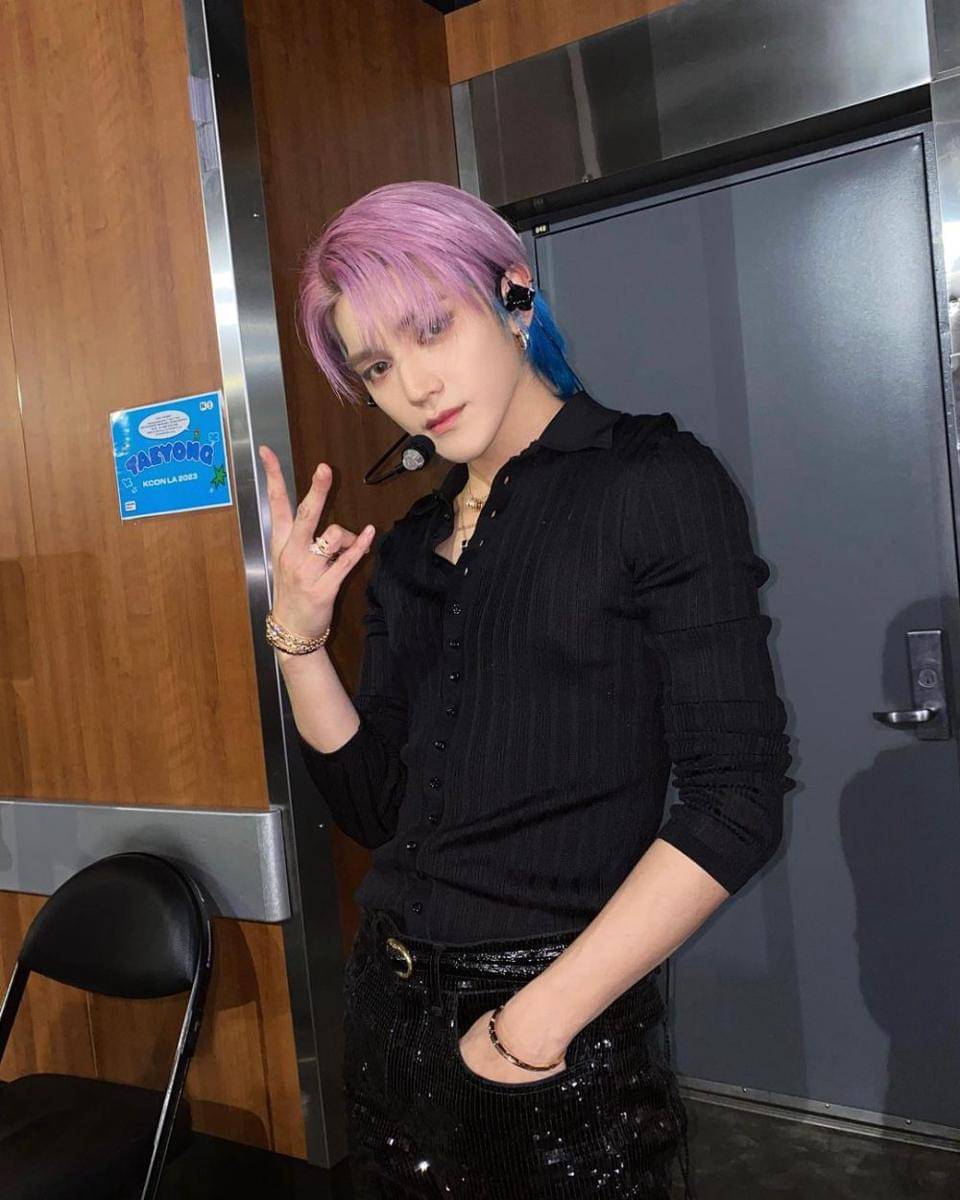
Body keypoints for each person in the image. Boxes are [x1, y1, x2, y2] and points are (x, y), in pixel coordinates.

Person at [258, 180, 794, 1198]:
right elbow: (375, 809)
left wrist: (529, 1030)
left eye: (432, 328)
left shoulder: (653, 481)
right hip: (388, 1016)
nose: (415, 385)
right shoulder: (410, 547)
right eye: (378, 366)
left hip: (548, 1034)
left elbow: (736, 800)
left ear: (513, 294)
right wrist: (301, 642)